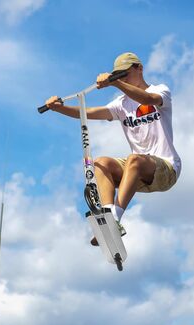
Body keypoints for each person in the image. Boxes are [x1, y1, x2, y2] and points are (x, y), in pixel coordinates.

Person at [45, 52, 181, 244]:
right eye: (119, 75)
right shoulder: (121, 104)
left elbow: (149, 99)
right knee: (100, 163)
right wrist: (59, 108)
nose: (123, 79)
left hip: (166, 169)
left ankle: (115, 218)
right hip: (138, 173)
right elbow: (90, 112)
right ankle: (109, 218)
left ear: (139, 68)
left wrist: (115, 83)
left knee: (135, 159)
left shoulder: (160, 90)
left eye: (125, 74)